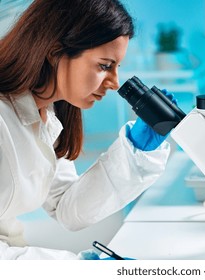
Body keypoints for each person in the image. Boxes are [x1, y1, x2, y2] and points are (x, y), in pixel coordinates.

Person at [0, 0, 172, 259]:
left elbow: (65, 207)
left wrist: (135, 152)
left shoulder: (48, 115)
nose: (114, 83)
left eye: (117, 68)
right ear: (55, 52)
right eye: (104, 66)